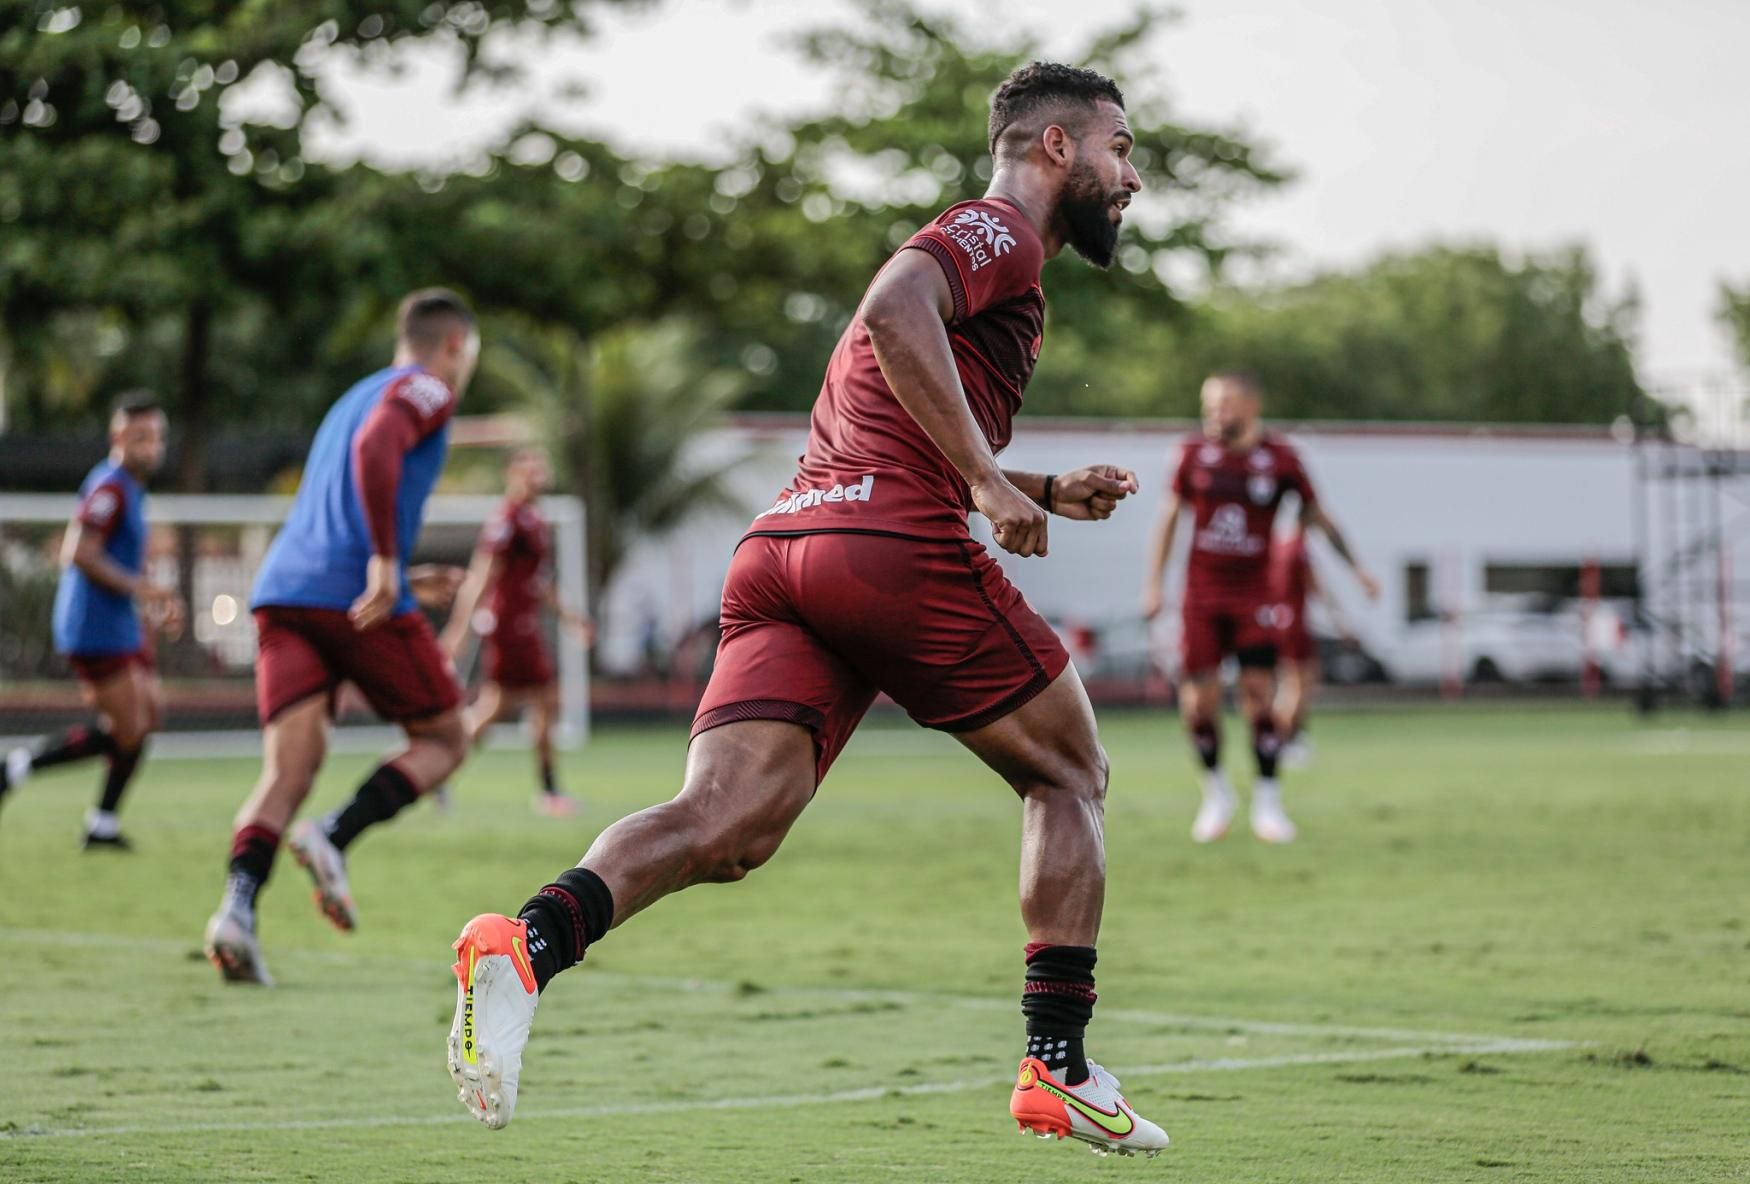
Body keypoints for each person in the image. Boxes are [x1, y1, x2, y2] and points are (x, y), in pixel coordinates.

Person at [444, 62, 1169, 1158]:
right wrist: (982, 484)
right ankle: (1057, 1064)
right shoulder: (1000, 229)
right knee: (1068, 770)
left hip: (786, 547)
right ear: (1055, 147)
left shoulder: (995, 259)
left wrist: (1033, 487)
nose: (1132, 177)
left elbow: (901, 398)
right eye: (1119, 147)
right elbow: (891, 309)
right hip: (883, 546)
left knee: (727, 826)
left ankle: (526, 941)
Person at [202, 289, 478, 986]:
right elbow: (379, 444)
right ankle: (334, 835)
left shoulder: (351, 395)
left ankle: (236, 912)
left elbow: (339, 500)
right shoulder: (425, 388)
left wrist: (401, 567)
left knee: (287, 771)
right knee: (448, 738)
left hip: (283, 594)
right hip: (351, 595)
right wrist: (387, 565)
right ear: (453, 345)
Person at [1140, 372, 1377, 844]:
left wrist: (1356, 569)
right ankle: (1216, 793)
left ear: (1250, 407)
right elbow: (1169, 517)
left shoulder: (1283, 460)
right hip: (1201, 596)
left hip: (1255, 596)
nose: (1213, 415)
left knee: (1258, 694)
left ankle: (1269, 800)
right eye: (1209, 406)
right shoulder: (1191, 455)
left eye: (1223, 405)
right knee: (1198, 702)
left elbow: (1317, 516)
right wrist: (1154, 584)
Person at [0, 393, 183, 849]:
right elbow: (79, 552)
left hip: (119, 622)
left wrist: (148, 601)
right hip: (92, 627)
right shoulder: (109, 487)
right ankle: (17, 768)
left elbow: (120, 561)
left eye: (156, 437)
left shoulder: (132, 489)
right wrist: (143, 590)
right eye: (140, 437)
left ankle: (101, 822)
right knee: (127, 728)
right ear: (117, 438)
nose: (151, 447)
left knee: (147, 717)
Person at [441, 448, 590, 817]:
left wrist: (572, 617)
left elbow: (540, 583)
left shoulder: (535, 520)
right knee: (509, 706)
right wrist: (460, 629)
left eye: (541, 470)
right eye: (529, 471)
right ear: (513, 475)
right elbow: (482, 575)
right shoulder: (506, 520)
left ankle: (438, 772)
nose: (537, 477)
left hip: (526, 625)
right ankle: (438, 770)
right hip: (508, 626)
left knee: (515, 706)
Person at [1268, 524, 1361, 769]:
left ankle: (1287, 738)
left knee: (1292, 683)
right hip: (1294, 625)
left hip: (1277, 622)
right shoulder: (1298, 549)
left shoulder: (1276, 546)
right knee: (1299, 684)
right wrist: (1340, 621)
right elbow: (1318, 588)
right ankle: (1281, 741)